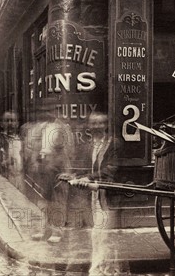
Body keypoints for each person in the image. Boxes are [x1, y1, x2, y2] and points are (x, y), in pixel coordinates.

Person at [68, 111, 131, 276]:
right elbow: (84, 167)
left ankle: (101, 271)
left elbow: (111, 169)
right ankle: (105, 270)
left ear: (106, 125)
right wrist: (75, 176)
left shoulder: (114, 144)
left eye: (100, 123)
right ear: (89, 126)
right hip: (94, 195)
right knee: (97, 234)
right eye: (93, 123)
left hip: (110, 195)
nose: (96, 127)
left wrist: (87, 178)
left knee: (104, 234)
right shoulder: (88, 145)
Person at [29, 97, 74, 244]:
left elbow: (68, 150)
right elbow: (37, 146)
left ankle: (57, 231)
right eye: (45, 110)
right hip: (44, 166)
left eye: (51, 110)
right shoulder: (43, 127)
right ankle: (45, 229)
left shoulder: (64, 128)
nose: (48, 113)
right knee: (44, 200)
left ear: (57, 110)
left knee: (58, 200)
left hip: (58, 167)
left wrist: (61, 168)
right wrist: (37, 162)